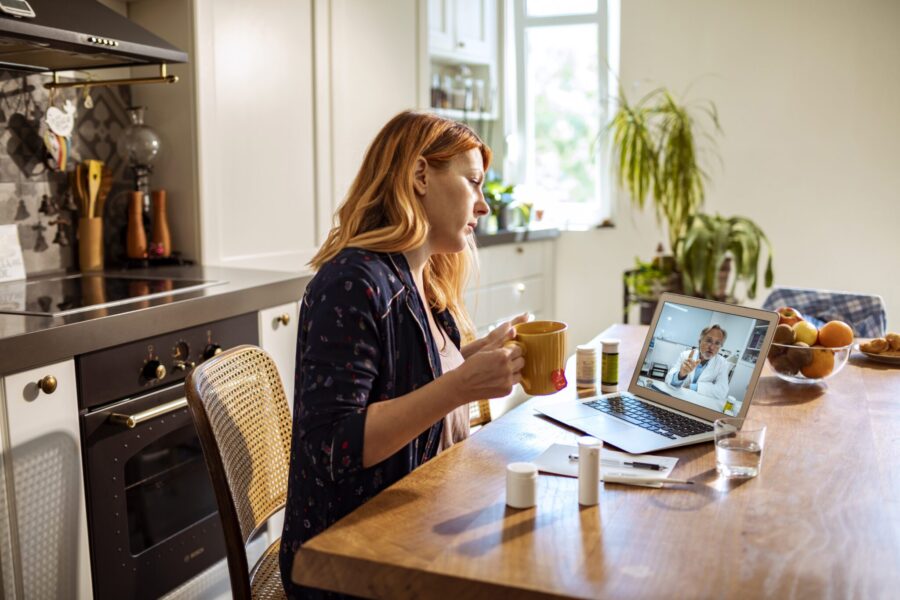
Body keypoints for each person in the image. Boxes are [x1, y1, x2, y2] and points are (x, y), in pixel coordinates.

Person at [280, 111, 527, 599]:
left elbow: (410, 373)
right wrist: (462, 386)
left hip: (417, 515)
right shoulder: (352, 284)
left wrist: (478, 355)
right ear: (419, 176)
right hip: (351, 557)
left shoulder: (422, 276)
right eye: (474, 182)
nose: (483, 205)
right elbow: (332, 447)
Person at [665, 325, 729, 400]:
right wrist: (681, 375)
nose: (712, 347)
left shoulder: (722, 363)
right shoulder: (685, 355)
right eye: (708, 341)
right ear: (699, 342)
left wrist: (693, 387)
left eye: (717, 343)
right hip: (679, 398)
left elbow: (722, 391)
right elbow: (668, 379)